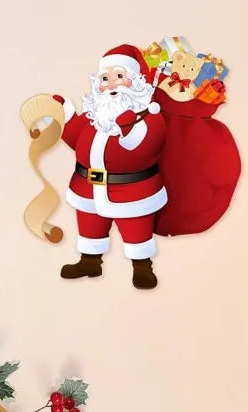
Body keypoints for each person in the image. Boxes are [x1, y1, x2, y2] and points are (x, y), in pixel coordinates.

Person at [54, 44, 167, 289]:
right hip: (87, 187)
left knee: (136, 229)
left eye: (119, 76)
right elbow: (77, 139)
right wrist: (63, 115)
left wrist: (127, 128)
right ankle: (90, 262)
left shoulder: (150, 116)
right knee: (89, 226)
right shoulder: (96, 115)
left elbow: (146, 146)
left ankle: (142, 267)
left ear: (135, 81)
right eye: (105, 78)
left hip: (132, 191)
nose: (111, 84)